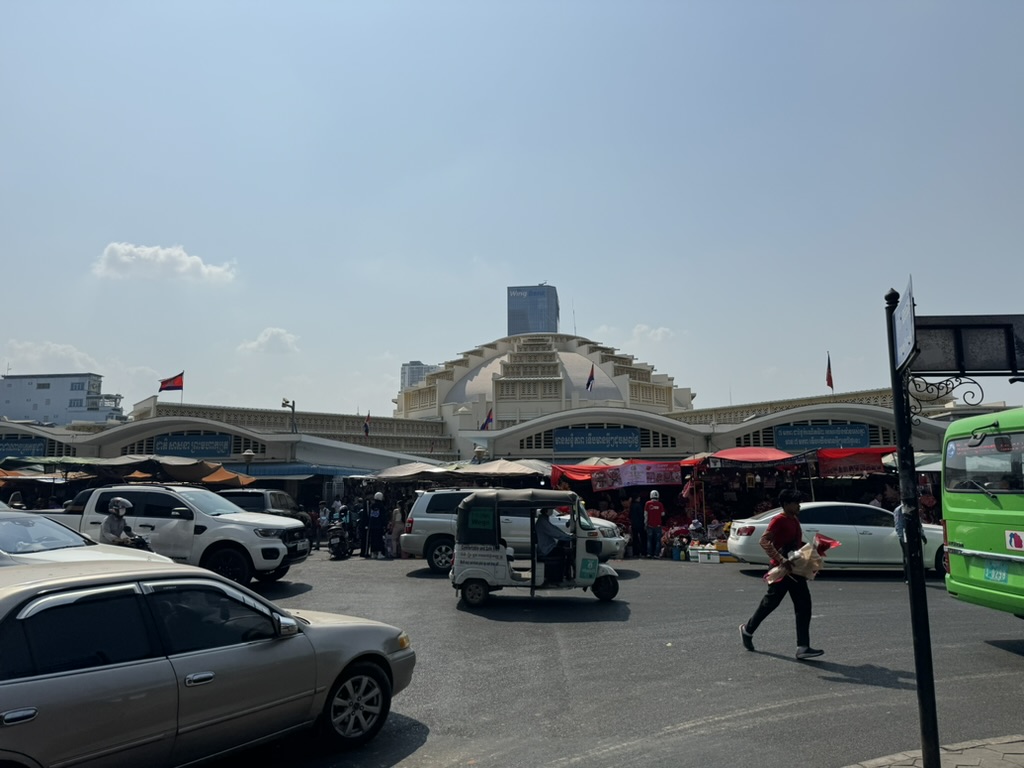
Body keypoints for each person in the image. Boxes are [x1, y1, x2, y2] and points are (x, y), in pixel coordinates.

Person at [739, 489, 824, 660]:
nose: (799, 505)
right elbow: (764, 541)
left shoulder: (794, 520)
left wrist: (812, 548)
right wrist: (780, 558)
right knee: (770, 603)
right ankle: (747, 630)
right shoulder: (779, 520)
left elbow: (795, 542)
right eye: (796, 503)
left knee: (803, 605)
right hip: (782, 570)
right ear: (786, 504)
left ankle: (803, 647)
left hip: (794, 569)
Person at [535, 508, 572, 583]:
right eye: (551, 509)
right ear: (547, 510)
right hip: (546, 549)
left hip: (548, 547)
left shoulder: (544, 519)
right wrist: (568, 537)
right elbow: (555, 533)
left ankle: (565, 573)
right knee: (570, 552)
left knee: (564, 546)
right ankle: (566, 574)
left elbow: (555, 529)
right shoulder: (543, 522)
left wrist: (568, 536)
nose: (552, 510)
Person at [644, 490, 665, 559]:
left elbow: (645, 515)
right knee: (658, 540)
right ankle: (656, 554)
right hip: (658, 525)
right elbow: (663, 514)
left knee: (649, 540)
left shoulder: (647, 503)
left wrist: (645, 523)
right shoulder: (660, 504)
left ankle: (649, 554)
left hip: (650, 525)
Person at [368, 492, 387, 560]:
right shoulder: (381, 506)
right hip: (379, 525)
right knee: (379, 539)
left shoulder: (372, 506)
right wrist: (385, 524)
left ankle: (373, 553)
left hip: (372, 525)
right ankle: (379, 553)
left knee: (373, 539)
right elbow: (383, 516)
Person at [629, 494, 646, 558]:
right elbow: (642, 515)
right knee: (642, 538)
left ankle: (635, 552)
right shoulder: (640, 506)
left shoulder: (632, 506)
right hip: (640, 524)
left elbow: (630, 515)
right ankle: (643, 552)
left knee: (635, 539)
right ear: (637, 498)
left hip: (634, 524)